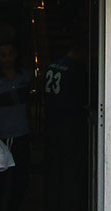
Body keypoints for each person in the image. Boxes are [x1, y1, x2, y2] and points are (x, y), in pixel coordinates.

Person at [0, 41, 32, 211]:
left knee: (21, 179)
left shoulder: (24, 77)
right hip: (3, 136)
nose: (7, 58)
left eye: (10, 54)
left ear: (15, 54)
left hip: (22, 133)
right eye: (3, 55)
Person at [43, 42, 89, 211]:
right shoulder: (76, 69)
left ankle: (52, 203)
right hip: (70, 125)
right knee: (70, 170)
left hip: (51, 122)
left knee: (54, 168)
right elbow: (83, 98)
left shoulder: (52, 66)